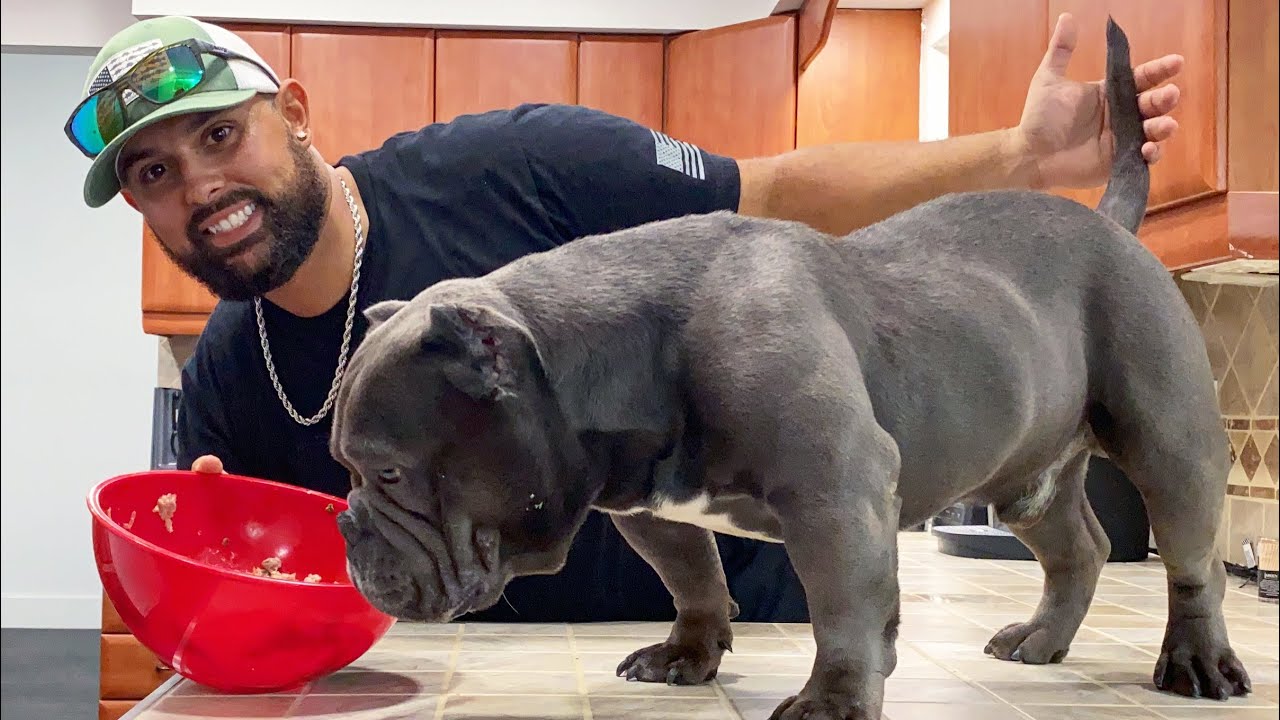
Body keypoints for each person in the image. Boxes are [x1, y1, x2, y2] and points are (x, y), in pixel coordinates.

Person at [69, 15, 1184, 623]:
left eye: (222, 134)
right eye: (154, 173)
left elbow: (773, 193)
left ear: (297, 114)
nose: (200, 186)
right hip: (479, 686)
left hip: (758, 638)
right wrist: (204, 571)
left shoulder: (521, 170)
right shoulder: (225, 372)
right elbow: (314, 574)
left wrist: (1017, 157)